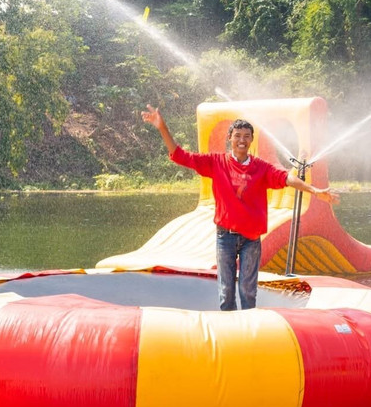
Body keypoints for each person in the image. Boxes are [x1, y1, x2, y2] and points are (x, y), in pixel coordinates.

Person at [142, 104, 341, 311]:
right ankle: (229, 326)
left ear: (251, 140)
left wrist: (314, 190)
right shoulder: (216, 162)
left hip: (251, 239)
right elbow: (180, 156)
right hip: (225, 237)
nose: (242, 140)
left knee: (247, 291)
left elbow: (287, 178)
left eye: (246, 136)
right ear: (230, 138)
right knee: (226, 291)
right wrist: (162, 127)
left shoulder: (261, 168)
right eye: (237, 136)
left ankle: (248, 325)